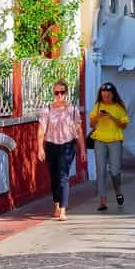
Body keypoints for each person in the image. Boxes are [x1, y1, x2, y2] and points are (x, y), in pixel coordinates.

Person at [38, 79, 86, 221]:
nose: (59, 95)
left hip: (67, 145)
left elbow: (79, 130)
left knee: (63, 175)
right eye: (56, 92)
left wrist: (82, 149)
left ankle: (63, 209)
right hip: (51, 145)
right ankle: (57, 204)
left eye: (62, 92)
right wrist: (40, 148)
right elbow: (41, 130)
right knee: (54, 177)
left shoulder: (73, 110)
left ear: (66, 93)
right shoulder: (47, 110)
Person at [89, 82, 129, 212]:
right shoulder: (98, 106)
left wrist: (112, 118)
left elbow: (124, 125)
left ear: (113, 95)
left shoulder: (119, 107)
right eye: (103, 94)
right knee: (100, 170)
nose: (106, 96)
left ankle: (118, 190)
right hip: (99, 140)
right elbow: (91, 124)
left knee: (115, 170)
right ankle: (103, 200)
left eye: (108, 94)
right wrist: (98, 117)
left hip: (115, 141)